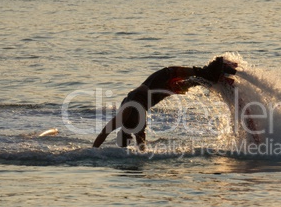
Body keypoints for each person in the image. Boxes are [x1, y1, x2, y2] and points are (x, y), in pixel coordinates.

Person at [92, 57, 237, 149]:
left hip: (153, 85)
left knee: (186, 73)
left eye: (128, 140)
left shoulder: (125, 116)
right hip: (157, 94)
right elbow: (142, 148)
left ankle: (211, 71)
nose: (132, 139)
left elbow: (104, 133)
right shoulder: (138, 130)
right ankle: (214, 80)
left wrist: (93, 152)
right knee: (192, 82)